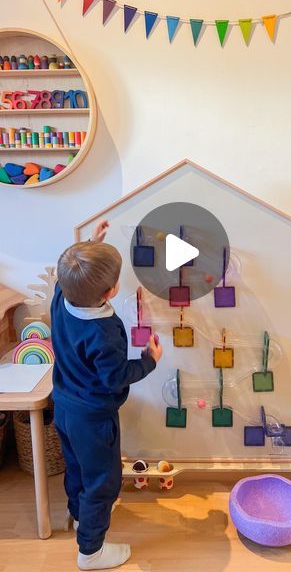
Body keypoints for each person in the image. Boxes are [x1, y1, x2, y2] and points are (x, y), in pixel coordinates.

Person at [51, 220, 162, 570]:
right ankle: (91, 552)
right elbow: (116, 378)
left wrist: (90, 245)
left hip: (65, 407)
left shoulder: (60, 298)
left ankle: (81, 517)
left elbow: (69, 274)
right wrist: (149, 361)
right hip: (93, 417)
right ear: (111, 292)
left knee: (77, 468)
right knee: (103, 481)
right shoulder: (102, 333)